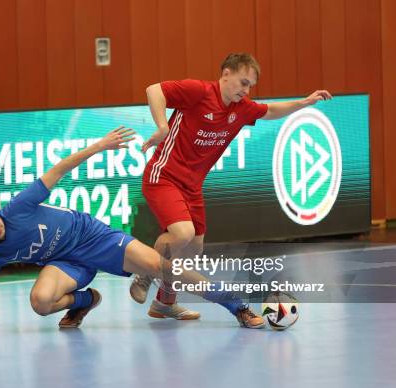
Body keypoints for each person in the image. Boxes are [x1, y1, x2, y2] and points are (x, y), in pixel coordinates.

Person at [0, 127, 264, 330]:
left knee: (160, 267)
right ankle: (85, 301)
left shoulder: (18, 207)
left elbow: (59, 168)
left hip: (92, 237)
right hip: (65, 264)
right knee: (41, 303)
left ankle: (236, 305)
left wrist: (100, 145)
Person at [132, 53, 332, 318]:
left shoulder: (241, 108)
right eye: (243, 82)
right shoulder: (199, 92)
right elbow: (154, 90)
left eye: (250, 86)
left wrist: (305, 102)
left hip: (192, 187)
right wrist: (162, 127)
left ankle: (164, 302)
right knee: (182, 233)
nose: (246, 90)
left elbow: (270, 110)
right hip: (164, 176)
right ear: (226, 74)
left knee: (193, 248)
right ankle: (144, 272)